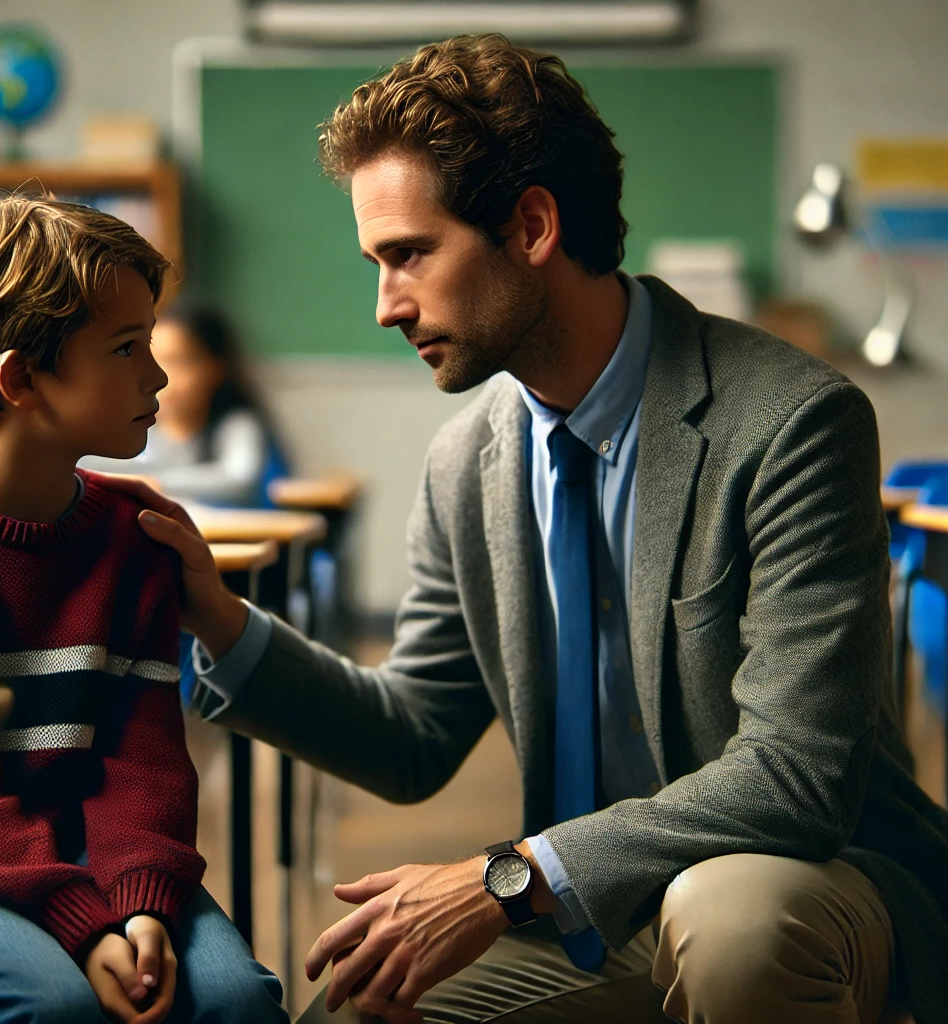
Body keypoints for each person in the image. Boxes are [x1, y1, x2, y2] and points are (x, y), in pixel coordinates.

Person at [109, 34, 948, 1024]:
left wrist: (506, 875)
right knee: (349, 1009)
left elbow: (796, 778)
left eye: (409, 254)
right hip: (588, 912)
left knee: (732, 920)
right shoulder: (467, 461)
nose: (385, 305)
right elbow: (413, 735)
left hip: (806, 884)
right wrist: (219, 618)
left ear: (533, 226)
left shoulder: (792, 420)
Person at [0, 194, 286, 1024]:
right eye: (127, 348)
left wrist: (144, 901)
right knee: (60, 1009)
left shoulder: (135, 534)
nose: (158, 376)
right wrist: (83, 926)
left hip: (103, 853)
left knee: (239, 1002)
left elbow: (144, 756)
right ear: (22, 381)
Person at [81, 298, 287, 508]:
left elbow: (239, 481)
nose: (162, 376)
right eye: (154, 360)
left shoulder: (236, 425)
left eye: (179, 362)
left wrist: (155, 483)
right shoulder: (142, 428)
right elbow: (90, 464)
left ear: (215, 368)